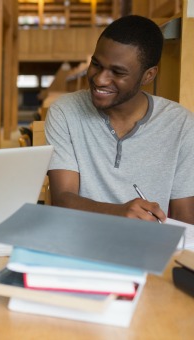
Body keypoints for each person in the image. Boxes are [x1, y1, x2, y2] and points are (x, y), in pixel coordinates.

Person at [45, 15, 194, 224]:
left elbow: (185, 220)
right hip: (80, 238)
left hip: (147, 247)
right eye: (96, 64)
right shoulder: (65, 111)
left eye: (117, 72)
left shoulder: (182, 124)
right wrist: (119, 212)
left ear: (148, 76)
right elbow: (63, 200)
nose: (100, 79)